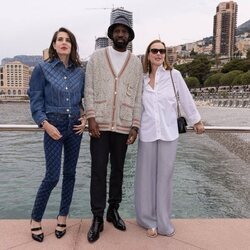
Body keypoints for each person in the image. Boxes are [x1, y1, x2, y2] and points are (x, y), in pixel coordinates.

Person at [135, 39, 205, 238]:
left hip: (168, 133)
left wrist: (196, 120)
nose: (158, 54)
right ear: (148, 54)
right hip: (147, 133)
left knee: (165, 178)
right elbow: (136, 107)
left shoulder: (174, 76)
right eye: (155, 50)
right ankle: (148, 221)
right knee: (146, 179)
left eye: (162, 51)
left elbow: (185, 98)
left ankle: (164, 222)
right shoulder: (141, 80)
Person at [84, 15, 143, 243]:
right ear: (111, 34)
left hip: (123, 125)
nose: (121, 34)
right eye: (117, 31)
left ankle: (113, 210)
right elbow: (88, 89)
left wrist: (135, 126)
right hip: (99, 124)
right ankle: (97, 217)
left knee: (118, 170)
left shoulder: (136, 63)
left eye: (124, 31)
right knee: (98, 171)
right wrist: (91, 118)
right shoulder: (97, 58)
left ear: (129, 36)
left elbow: (138, 96)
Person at [28, 27, 86, 242]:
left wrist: (85, 119)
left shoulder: (80, 72)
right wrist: (44, 124)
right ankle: (35, 220)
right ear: (53, 44)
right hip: (53, 127)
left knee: (70, 175)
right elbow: (35, 99)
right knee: (52, 176)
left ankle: (63, 216)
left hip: (75, 129)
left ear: (72, 45)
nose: (63, 42)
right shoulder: (42, 69)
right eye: (59, 39)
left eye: (67, 40)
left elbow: (83, 99)